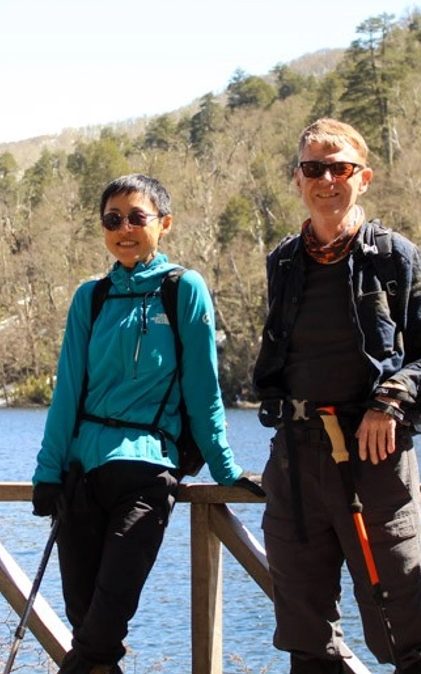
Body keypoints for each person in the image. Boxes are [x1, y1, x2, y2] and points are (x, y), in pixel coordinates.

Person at [30, 173, 263, 674]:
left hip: (147, 474)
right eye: (113, 219)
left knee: (100, 632)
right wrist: (47, 474)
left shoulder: (183, 289)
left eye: (138, 216)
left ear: (165, 223)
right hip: (81, 478)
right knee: (86, 625)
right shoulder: (89, 298)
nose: (125, 229)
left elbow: (204, 389)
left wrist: (225, 470)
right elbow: (67, 393)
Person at [252, 118, 421, 674]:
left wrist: (389, 400)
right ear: (297, 179)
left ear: (362, 177)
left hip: (375, 460)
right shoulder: (284, 262)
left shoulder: (395, 257)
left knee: (405, 627)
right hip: (296, 459)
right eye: (313, 168)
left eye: (339, 167)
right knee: (304, 631)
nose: (327, 179)